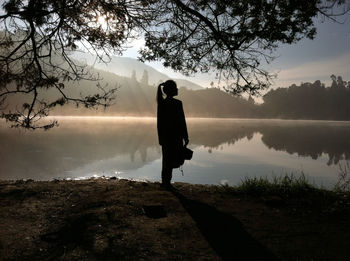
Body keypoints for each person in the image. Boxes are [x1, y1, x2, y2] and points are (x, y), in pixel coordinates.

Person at [157, 80, 189, 188]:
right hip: (176, 136)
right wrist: (185, 136)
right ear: (171, 90)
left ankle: (165, 182)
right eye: (175, 88)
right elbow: (182, 121)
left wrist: (160, 138)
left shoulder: (162, 104)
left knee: (166, 159)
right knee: (173, 159)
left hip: (166, 137)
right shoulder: (178, 103)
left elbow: (159, 123)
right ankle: (167, 182)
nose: (177, 89)